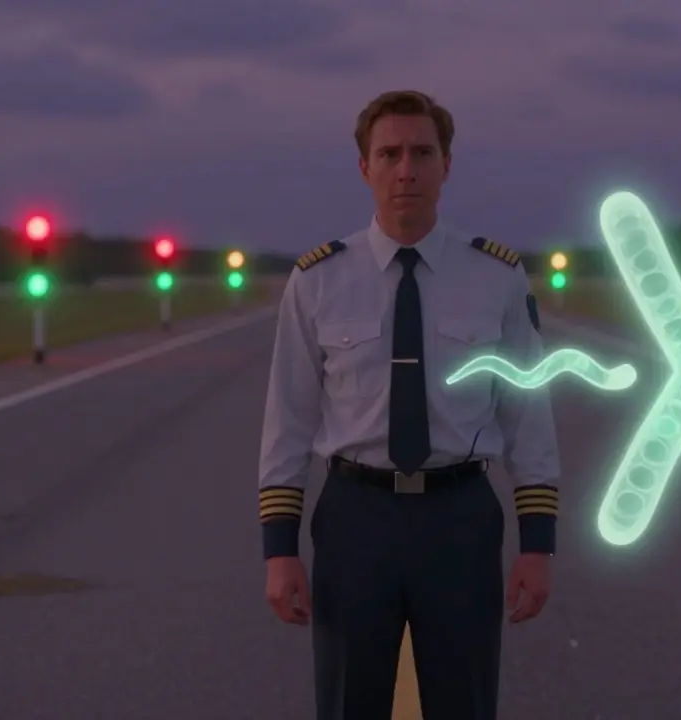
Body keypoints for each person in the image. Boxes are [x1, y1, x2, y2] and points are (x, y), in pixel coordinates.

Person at [257, 89, 561, 720]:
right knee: (350, 702)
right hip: (354, 520)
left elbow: (528, 417)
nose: (406, 169)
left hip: (460, 522)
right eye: (389, 153)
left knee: (464, 701)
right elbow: (287, 421)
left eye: (422, 152)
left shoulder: (496, 277)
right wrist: (279, 549)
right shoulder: (317, 281)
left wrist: (539, 543)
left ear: (446, 164)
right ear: (363, 167)